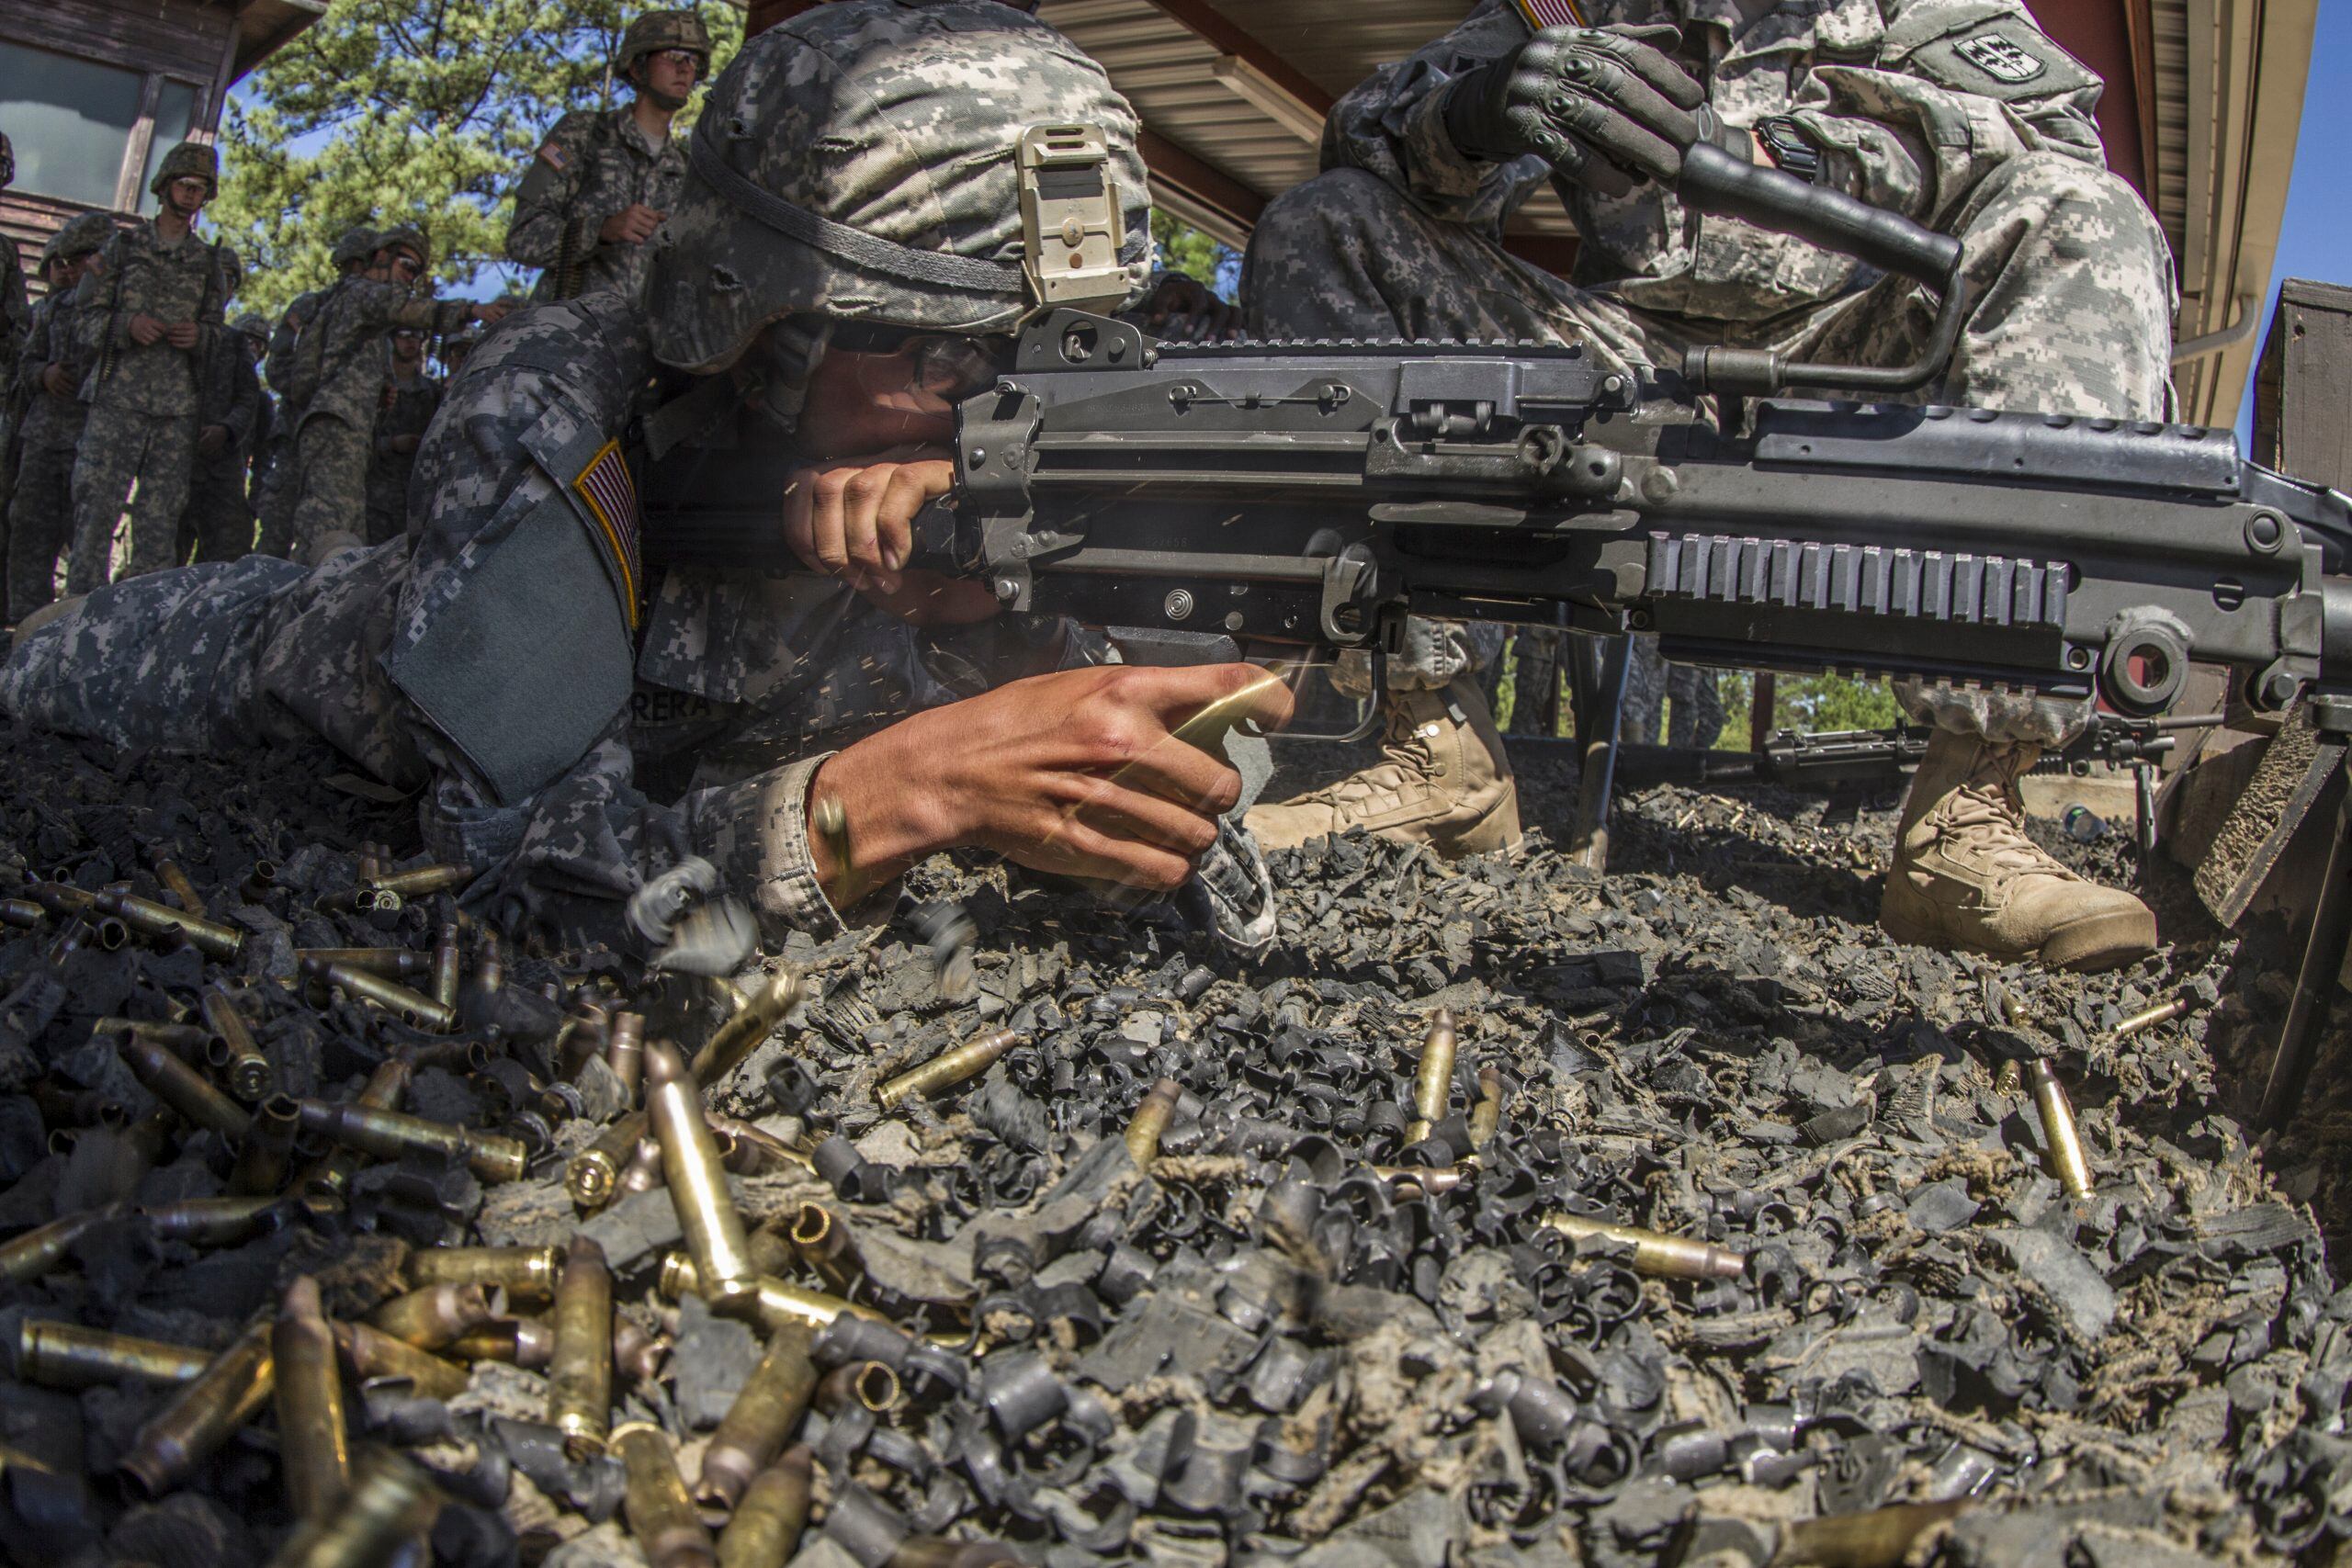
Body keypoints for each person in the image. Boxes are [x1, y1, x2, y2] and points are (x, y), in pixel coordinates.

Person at [1, 0, 1286, 956]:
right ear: (763, 319)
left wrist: (1003, 638)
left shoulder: (989, 460)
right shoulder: (559, 400)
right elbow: (514, 876)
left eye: (1048, 350)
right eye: (949, 349)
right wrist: (899, 791)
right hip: (216, 666)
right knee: (37, 667)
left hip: (672, 748)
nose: (999, 400)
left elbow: (1132, 805)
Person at [1238, 0, 2170, 970]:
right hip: (1626, 360)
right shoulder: (1583, 10)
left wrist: (1806, 156)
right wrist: (1468, 117)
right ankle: (1439, 754)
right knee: (1327, 225)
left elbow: (2054, 139)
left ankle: (1967, 812)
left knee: (2087, 224)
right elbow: (1364, 136)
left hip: (1862, 359)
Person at [64, 141, 240, 592]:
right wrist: (126, 326)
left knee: (160, 518)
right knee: (95, 507)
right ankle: (79, 605)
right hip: (117, 400)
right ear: (165, 187)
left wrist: (200, 336)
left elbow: (221, 336)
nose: (191, 196)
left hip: (175, 411)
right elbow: (82, 319)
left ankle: (143, 618)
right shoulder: (123, 248)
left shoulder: (207, 262)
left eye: (200, 189)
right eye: (184, 185)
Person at [277, 229, 502, 562]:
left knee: (347, 528)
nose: (408, 279)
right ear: (381, 256)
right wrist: (473, 310)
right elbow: (408, 310)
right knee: (328, 526)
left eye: (415, 273)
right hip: (337, 422)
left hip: (346, 425)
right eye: (407, 265)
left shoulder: (353, 306)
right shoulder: (363, 293)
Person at [504, 8, 708, 303]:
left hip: (643, 345)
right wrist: (601, 229)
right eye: (673, 56)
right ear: (638, 68)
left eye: (693, 60)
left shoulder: (688, 170)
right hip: (567, 332)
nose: (685, 68)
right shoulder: (584, 134)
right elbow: (523, 237)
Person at [5, 213, 111, 625]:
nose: (74, 267)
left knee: (86, 545)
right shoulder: (55, 309)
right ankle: (20, 628)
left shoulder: (121, 308)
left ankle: (76, 633)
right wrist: (44, 374)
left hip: (95, 444)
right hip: (44, 439)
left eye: (86, 256)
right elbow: (26, 363)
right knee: (29, 536)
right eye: (70, 258)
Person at [256, 226, 378, 558]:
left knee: (334, 529)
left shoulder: (373, 314)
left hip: (342, 442)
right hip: (297, 430)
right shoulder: (311, 307)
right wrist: (309, 388)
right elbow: (277, 365)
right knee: (277, 530)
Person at [179, 312, 267, 564]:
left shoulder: (261, 403)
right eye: (249, 340)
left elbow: (263, 456)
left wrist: (255, 500)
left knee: (226, 560)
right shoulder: (200, 360)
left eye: (259, 344)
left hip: (225, 486)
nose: (252, 348)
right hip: (183, 475)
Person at [364, 325, 439, 545]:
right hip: (375, 499)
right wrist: (392, 445)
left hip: (416, 500)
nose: (410, 342)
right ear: (392, 340)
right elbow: (353, 444)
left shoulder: (432, 392)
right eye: (404, 336)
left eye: (416, 335)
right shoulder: (375, 388)